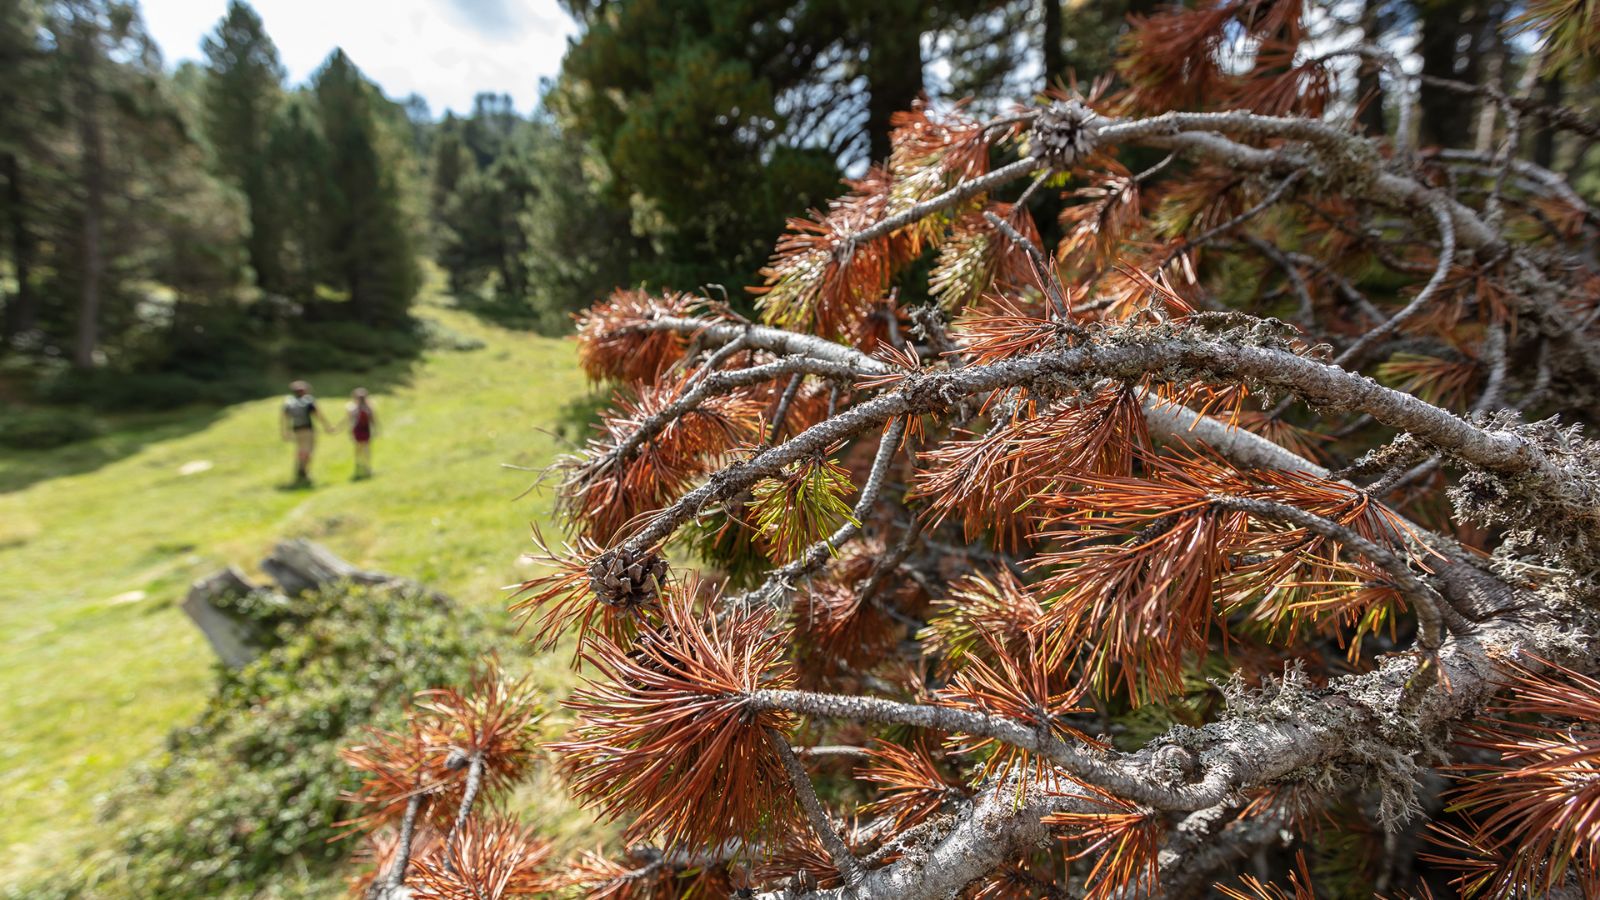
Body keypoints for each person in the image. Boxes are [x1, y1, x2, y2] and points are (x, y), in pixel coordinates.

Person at [281, 380, 332, 486]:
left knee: (301, 450)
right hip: (308, 430)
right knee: (308, 451)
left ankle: (301, 470)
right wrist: (327, 426)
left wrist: (285, 431)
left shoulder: (289, 402)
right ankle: (303, 471)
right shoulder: (308, 401)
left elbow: (285, 418)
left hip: (296, 430)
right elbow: (318, 415)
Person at [344, 387, 378, 479]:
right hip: (357, 430)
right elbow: (350, 420)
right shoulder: (352, 407)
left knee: (366, 448)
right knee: (358, 448)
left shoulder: (368, 407)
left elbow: (373, 419)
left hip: (365, 430)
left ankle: (367, 466)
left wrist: (375, 429)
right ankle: (359, 465)